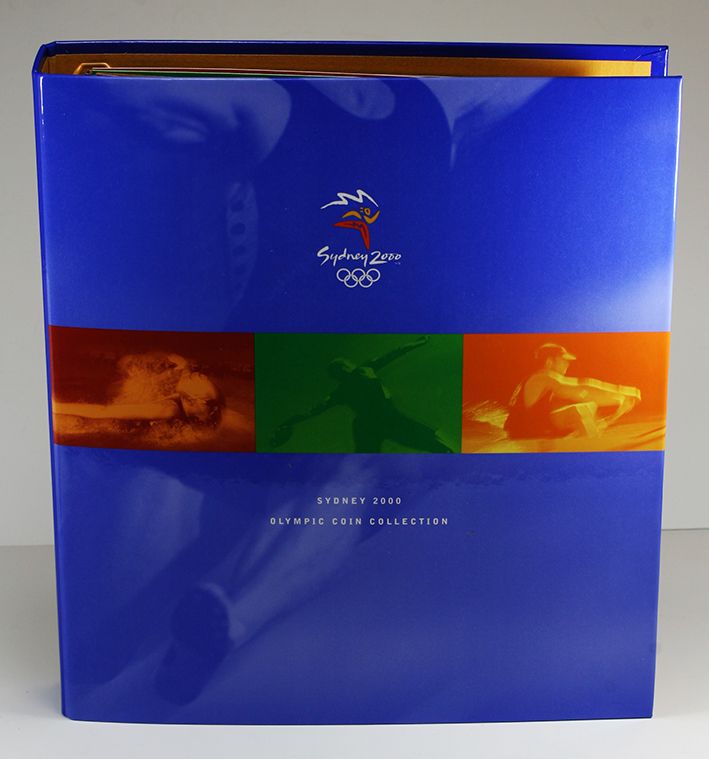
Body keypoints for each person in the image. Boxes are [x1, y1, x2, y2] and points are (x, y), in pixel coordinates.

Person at [270, 336, 453, 453]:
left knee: (432, 439)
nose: (346, 367)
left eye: (344, 365)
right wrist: (289, 422)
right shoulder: (350, 383)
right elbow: (316, 408)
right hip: (372, 423)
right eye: (341, 368)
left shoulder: (360, 373)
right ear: (341, 371)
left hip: (384, 419)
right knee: (431, 440)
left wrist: (416, 343)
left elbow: (393, 354)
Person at [504, 343, 641, 439]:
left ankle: (588, 441)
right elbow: (583, 389)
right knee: (579, 410)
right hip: (523, 437)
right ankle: (592, 446)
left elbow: (583, 387)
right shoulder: (543, 377)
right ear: (549, 362)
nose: (567, 364)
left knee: (586, 407)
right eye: (563, 360)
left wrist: (614, 414)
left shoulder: (539, 379)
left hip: (522, 431)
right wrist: (620, 395)